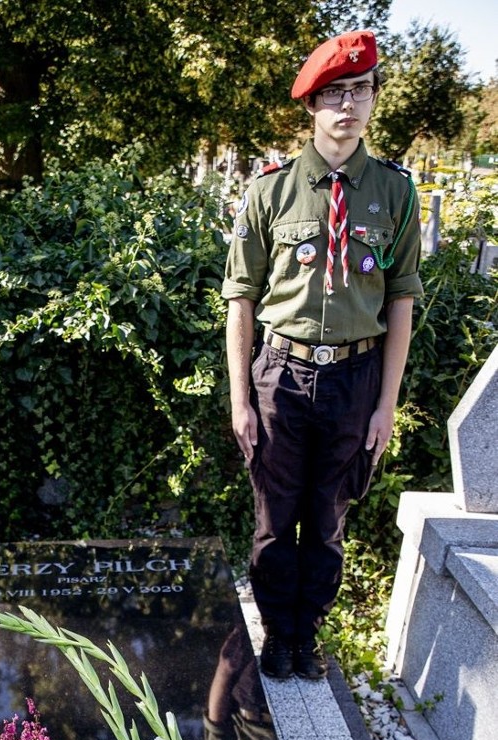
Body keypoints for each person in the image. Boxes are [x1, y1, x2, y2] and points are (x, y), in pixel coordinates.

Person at [222, 30, 422, 681]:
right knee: (275, 521)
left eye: (359, 91)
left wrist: (385, 407)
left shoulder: (395, 193)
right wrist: (239, 401)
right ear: (311, 105)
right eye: (334, 93)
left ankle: (307, 636)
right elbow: (241, 302)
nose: (348, 105)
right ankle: (276, 635)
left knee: (328, 519)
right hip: (281, 374)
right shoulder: (270, 192)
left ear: (372, 100)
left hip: (356, 377)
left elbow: (400, 305)